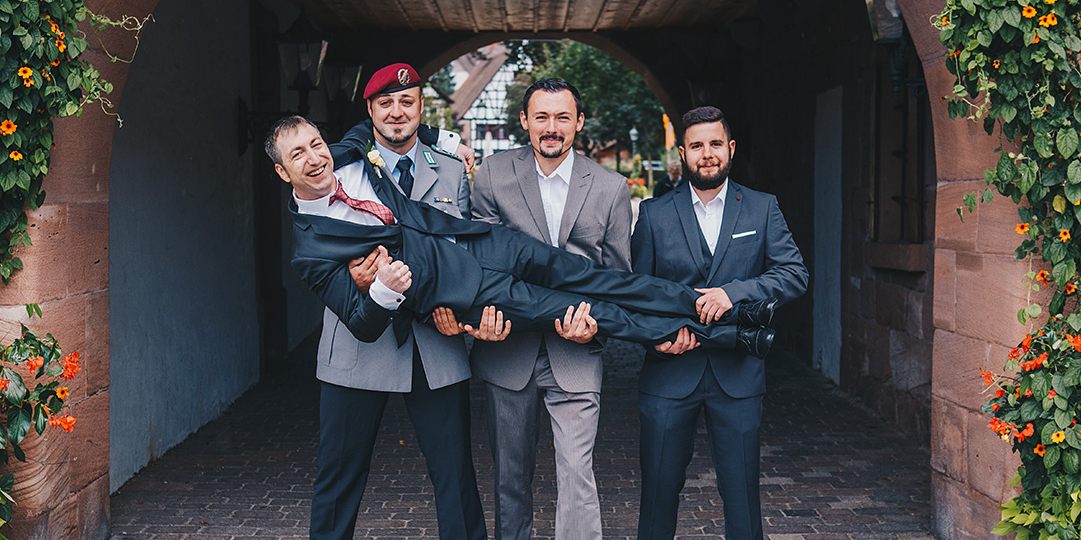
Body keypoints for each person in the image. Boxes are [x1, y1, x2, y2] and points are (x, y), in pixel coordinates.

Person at [260, 63, 495, 540]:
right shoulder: (343, 160)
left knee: (455, 475)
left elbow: (462, 248)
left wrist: (460, 310)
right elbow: (320, 241)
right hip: (355, 343)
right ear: (368, 114)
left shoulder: (451, 169)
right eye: (385, 103)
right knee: (337, 476)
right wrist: (358, 279)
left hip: (434, 343)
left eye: (407, 101)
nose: (396, 111)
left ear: (421, 107)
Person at [273, 116, 776, 355]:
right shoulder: (310, 251)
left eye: (315, 143)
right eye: (298, 154)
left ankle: (724, 307)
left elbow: (392, 124)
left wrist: (448, 141)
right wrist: (382, 290)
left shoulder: (351, 150)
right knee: (588, 311)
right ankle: (731, 336)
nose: (314, 158)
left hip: (488, 242)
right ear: (282, 172)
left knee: (602, 280)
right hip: (469, 295)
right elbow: (361, 325)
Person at [625, 105, 808, 540]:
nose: (706, 154)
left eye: (715, 144)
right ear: (681, 153)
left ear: (730, 148)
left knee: (741, 486)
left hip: (738, 372)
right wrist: (660, 335)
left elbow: (793, 273)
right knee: (659, 484)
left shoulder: (762, 208)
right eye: (696, 146)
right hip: (669, 372)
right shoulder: (654, 214)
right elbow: (636, 292)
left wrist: (734, 293)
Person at [467, 78, 621, 540]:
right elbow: (479, 263)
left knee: (576, 475)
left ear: (579, 122)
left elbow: (618, 280)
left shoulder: (609, 187)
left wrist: (596, 326)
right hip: (507, 346)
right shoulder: (492, 177)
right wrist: (478, 320)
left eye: (562, 117)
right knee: (510, 469)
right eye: (541, 116)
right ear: (525, 122)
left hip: (575, 354)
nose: (551, 127)